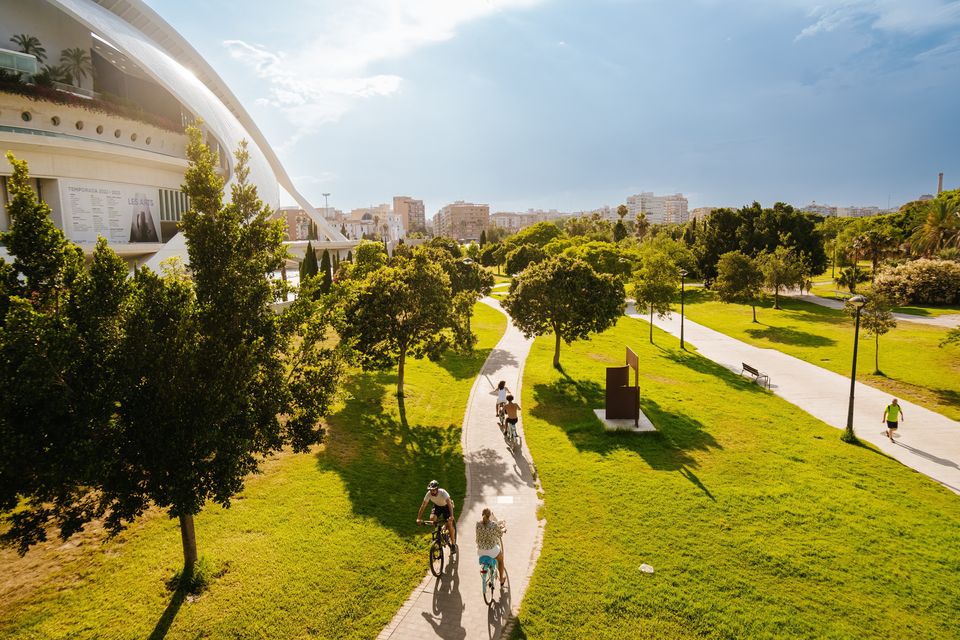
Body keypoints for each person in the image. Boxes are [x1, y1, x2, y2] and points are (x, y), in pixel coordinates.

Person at [416, 480, 457, 550]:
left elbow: (449, 504)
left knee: (449, 524)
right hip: (437, 506)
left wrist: (451, 516)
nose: (432, 492)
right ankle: (439, 531)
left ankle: (453, 544)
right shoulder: (429, 494)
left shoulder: (443, 492)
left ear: (437, 489)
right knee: (432, 519)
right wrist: (418, 518)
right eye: (430, 490)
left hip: (447, 506)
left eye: (433, 490)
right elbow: (423, 505)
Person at [476, 508, 506, 585]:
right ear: (490, 516)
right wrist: (503, 530)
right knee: (501, 560)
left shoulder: (478, 524)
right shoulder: (494, 525)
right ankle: (501, 579)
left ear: (482, 515)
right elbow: (499, 534)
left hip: (480, 550)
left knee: (491, 554)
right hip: (492, 550)